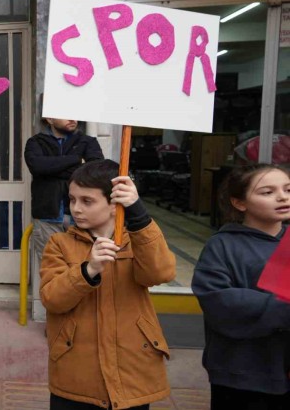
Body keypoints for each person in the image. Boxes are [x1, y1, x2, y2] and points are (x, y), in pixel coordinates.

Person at [40, 160, 176, 410]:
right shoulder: (60, 243)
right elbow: (52, 298)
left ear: (115, 204)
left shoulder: (138, 240)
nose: (76, 209)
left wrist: (138, 212)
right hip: (77, 373)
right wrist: (88, 270)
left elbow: (160, 272)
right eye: (72, 199)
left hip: (132, 369)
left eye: (87, 201)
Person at [192, 164, 290, 410]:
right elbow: (218, 300)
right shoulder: (222, 245)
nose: (282, 197)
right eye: (267, 192)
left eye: (288, 189)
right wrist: (283, 306)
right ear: (239, 202)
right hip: (242, 371)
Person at [24, 116, 104, 298]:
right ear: (49, 118)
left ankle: (80, 314)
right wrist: (76, 160)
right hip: (47, 217)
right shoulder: (36, 142)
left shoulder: (87, 141)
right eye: (65, 113)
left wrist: (52, 167)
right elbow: (38, 167)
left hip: (82, 219)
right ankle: (55, 313)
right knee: (51, 272)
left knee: (85, 269)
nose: (72, 118)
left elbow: (94, 172)